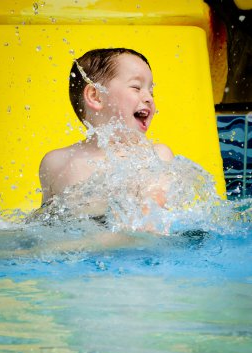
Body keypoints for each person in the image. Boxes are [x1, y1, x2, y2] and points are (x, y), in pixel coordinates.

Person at [39, 48, 174, 225]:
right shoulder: (56, 162)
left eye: (151, 91)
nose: (148, 97)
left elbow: (153, 221)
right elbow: (44, 224)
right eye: (136, 87)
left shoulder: (155, 156)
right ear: (95, 96)